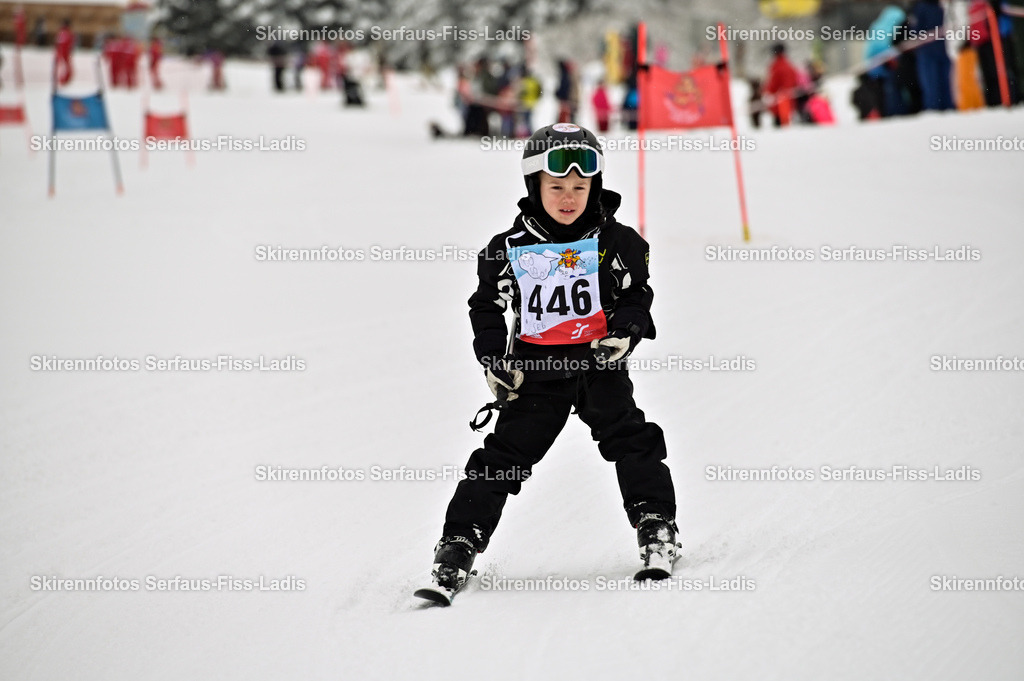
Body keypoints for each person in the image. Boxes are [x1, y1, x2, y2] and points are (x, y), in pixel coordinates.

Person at [419, 123, 678, 601]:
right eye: (556, 186)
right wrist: (494, 359)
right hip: (536, 375)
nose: (568, 197)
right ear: (534, 185)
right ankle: (459, 543)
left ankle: (656, 523)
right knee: (502, 459)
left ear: (595, 186)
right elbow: (486, 306)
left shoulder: (617, 242)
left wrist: (626, 333)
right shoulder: (508, 248)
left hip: (599, 367)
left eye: (580, 186)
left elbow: (636, 295)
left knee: (632, 439)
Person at [764, 43, 799, 126]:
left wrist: (768, 92)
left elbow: (773, 83)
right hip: (789, 100)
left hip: (779, 101)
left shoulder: (777, 66)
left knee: (779, 126)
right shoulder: (789, 65)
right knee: (786, 123)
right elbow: (795, 81)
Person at [54, 18, 74, 86]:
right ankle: (62, 80)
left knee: (64, 68)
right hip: (63, 54)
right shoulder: (64, 33)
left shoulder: (64, 33)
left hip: (64, 54)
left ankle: (62, 80)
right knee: (64, 68)